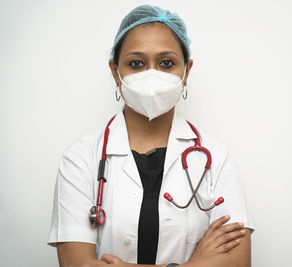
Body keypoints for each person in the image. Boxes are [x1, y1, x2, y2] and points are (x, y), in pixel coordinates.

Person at [47, 4, 254, 267]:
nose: (152, 75)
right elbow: (78, 265)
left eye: (166, 63)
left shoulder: (216, 158)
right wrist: (194, 264)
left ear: (186, 71)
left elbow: (238, 263)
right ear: (115, 72)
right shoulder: (80, 158)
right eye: (137, 63)